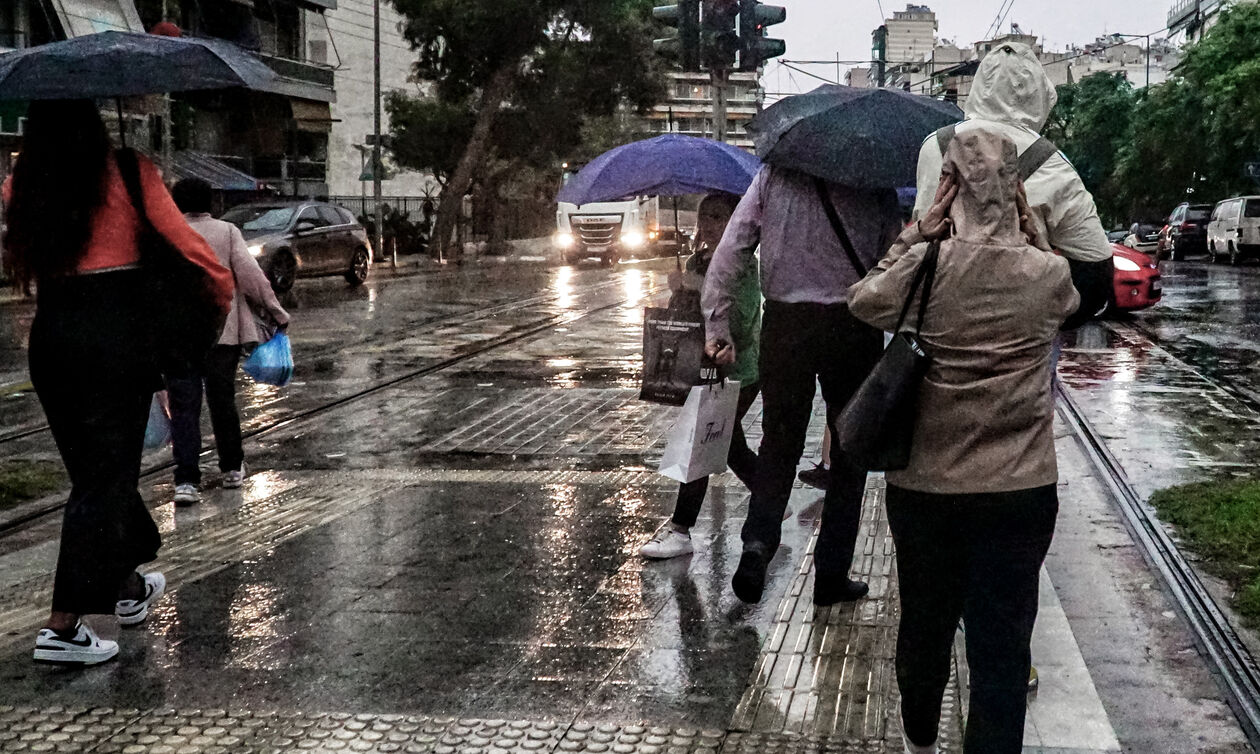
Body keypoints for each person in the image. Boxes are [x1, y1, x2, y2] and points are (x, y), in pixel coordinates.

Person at [848, 129, 1079, 754]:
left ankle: (920, 733)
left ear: (949, 188)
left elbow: (864, 300)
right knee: (1002, 648)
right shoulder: (1048, 274)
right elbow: (1071, 298)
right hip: (1020, 490)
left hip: (926, 489)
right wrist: (1036, 237)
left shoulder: (926, 265)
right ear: (1017, 195)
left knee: (924, 620)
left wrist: (916, 233)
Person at [2, 100, 232, 665]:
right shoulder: (131, 171)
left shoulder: (21, 185)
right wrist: (209, 317)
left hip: (53, 338)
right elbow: (197, 258)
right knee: (103, 480)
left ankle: (128, 587)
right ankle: (63, 626)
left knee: (96, 472)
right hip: (115, 338)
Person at [702, 165, 902, 606]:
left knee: (780, 441)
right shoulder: (874, 179)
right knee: (850, 452)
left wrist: (716, 321)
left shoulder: (775, 175)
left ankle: (757, 545)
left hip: (786, 325)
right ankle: (831, 576)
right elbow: (895, 260)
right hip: (854, 324)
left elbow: (733, 248)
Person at [913, 41, 1112, 327]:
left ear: (980, 86)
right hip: (1024, 333)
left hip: (941, 323)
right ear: (1040, 96)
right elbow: (1096, 267)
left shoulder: (934, 147)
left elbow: (919, 235)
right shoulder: (1052, 162)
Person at [641, 193, 760, 559]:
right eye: (704, 216)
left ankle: (680, 530)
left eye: (718, 217)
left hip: (735, 374)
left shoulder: (742, 264)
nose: (708, 223)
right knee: (730, 448)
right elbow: (689, 321)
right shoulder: (696, 259)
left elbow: (740, 320)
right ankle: (771, 499)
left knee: (698, 445)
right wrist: (679, 294)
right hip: (700, 371)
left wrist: (696, 285)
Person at [167, 178, 290, 505]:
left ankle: (186, 481)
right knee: (222, 402)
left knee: (184, 407)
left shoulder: (166, 233)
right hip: (222, 333)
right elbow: (252, 278)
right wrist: (277, 312)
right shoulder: (227, 232)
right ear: (211, 203)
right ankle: (232, 468)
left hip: (178, 337)